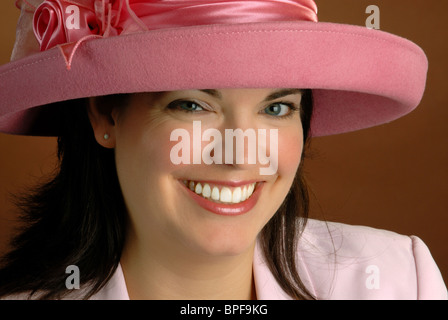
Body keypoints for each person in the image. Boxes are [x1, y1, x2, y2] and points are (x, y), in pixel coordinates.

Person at [0, 0, 446, 300]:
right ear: (104, 115)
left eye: (275, 107)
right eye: (193, 104)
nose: (238, 155)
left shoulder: (397, 283)